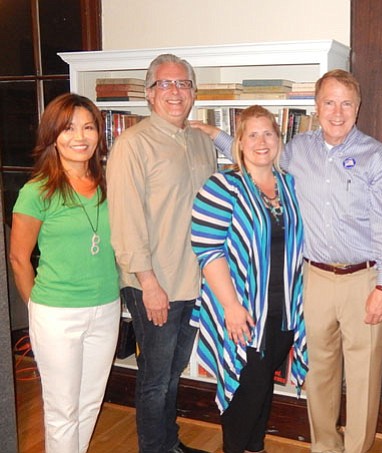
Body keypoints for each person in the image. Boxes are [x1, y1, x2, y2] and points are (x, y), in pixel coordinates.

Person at [194, 69, 382, 453]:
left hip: (365, 280)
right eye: (329, 102)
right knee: (319, 373)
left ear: (357, 109)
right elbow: (256, 155)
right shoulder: (298, 150)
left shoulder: (377, 157)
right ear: (316, 107)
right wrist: (214, 134)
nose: (337, 112)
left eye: (346, 103)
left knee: (363, 377)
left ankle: (355, 449)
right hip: (314, 279)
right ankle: (324, 446)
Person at [106, 54, 217, 453]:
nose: (175, 92)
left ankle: (169, 443)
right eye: (165, 85)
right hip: (154, 283)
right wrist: (148, 283)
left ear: (193, 93)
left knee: (173, 373)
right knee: (155, 377)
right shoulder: (132, 145)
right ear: (150, 95)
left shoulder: (202, 145)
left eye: (183, 84)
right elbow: (125, 221)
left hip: (194, 282)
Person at [190, 105, 308, 453]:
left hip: (284, 308)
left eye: (268, 133)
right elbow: (208, 251)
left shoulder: (290, 185)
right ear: (239, 143)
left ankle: (255, 447)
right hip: (242, 308)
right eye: (252, 135)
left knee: (262, 386)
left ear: (279, 140)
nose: (261, 141)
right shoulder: (222, 186)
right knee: (247, 386)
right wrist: (231, 307)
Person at [9, 93, 120, 452]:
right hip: (56, 313)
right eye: (69, 128)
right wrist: (39, 309)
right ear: (52, 135)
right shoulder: (37, 191)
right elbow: (18, 258)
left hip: (106, 308)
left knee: (90, 402)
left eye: (88, 127)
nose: (80, 137)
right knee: (61, 410)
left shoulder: (110, 185)